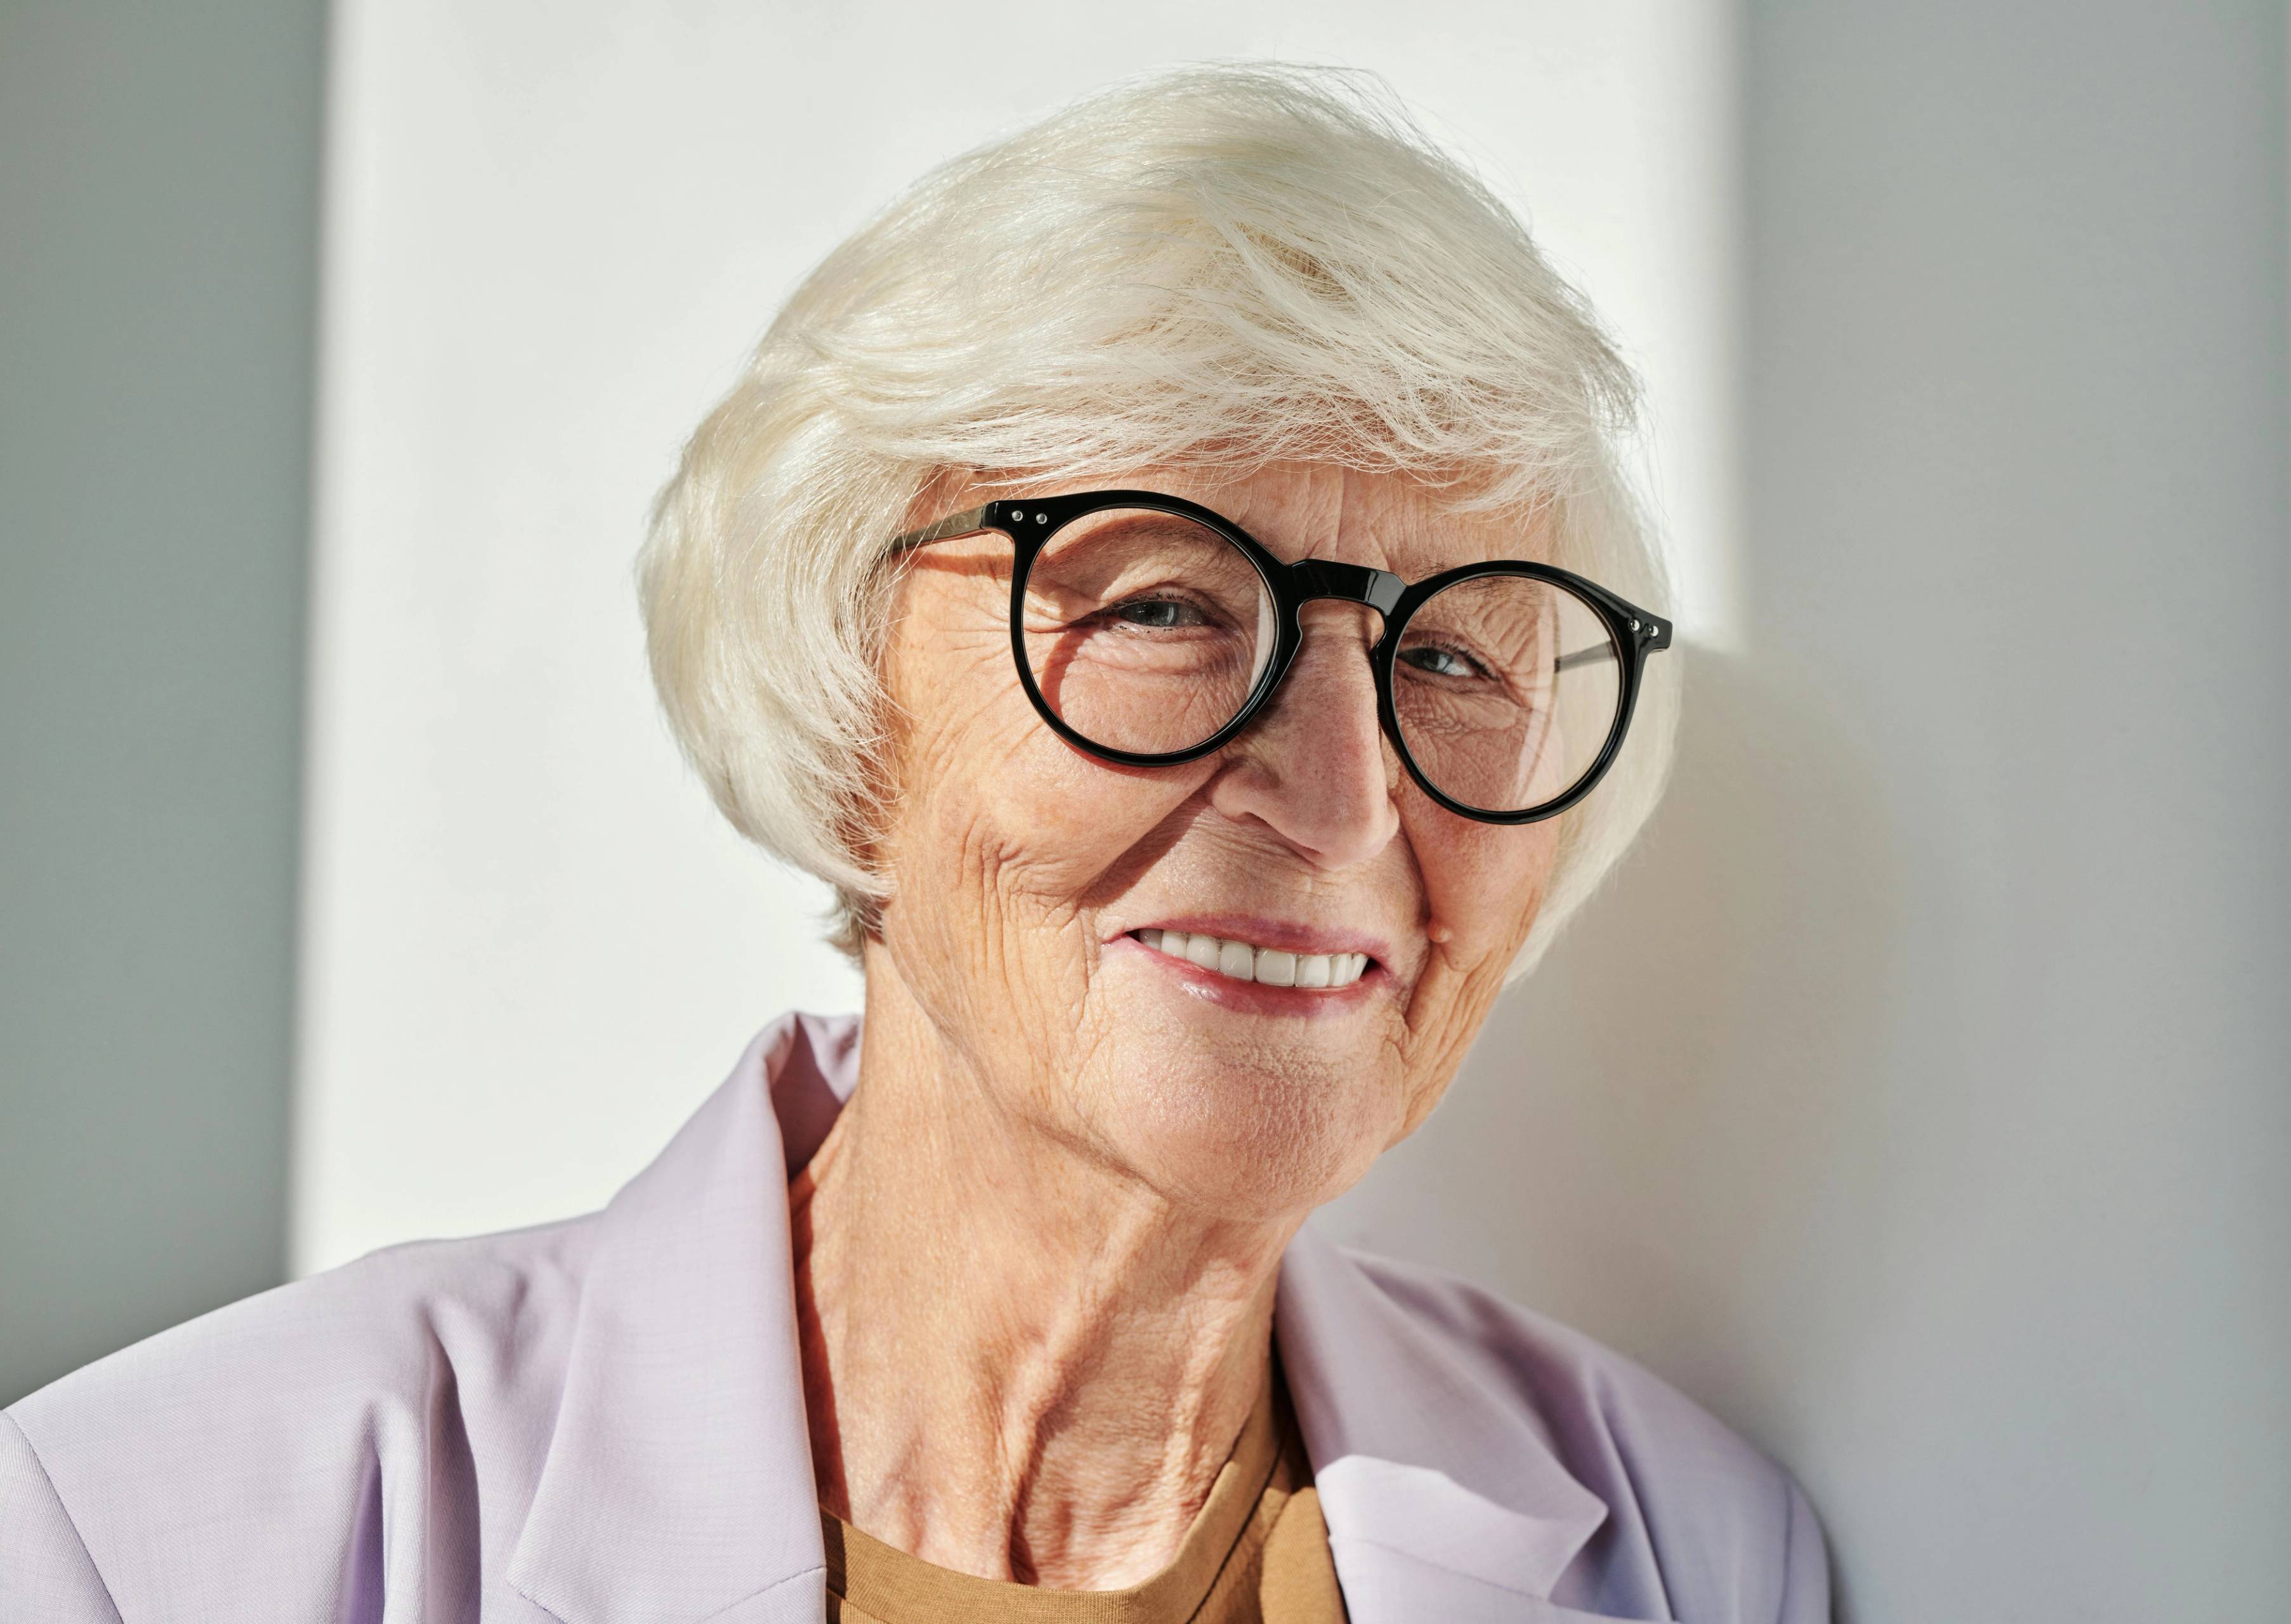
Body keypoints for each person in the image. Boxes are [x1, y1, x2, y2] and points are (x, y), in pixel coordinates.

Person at [1, 64, 1826, 1623]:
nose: (1346, 800)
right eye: (1175, 608)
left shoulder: (1692, 1558)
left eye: (1448, 656)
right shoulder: (160, 1542)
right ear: (846, 696)